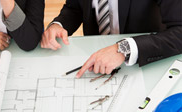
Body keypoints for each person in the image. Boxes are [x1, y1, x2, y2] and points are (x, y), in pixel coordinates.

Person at [41, 0, 182, 77]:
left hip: (144, 62)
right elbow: (75, 7)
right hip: (96, 62)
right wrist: (58, 24)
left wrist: (123, 49)